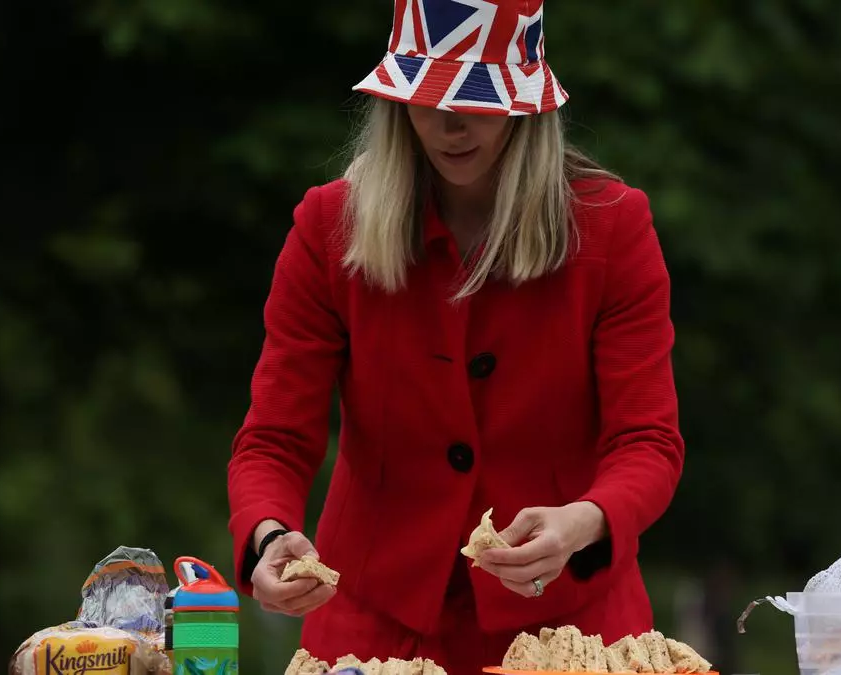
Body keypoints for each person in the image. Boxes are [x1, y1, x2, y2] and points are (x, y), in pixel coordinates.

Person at [226, 1, 685, 672]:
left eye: (475, 98)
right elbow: (273, 438)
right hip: (370, 630)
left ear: (526, 105)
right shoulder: (326, 228)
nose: (448, 122)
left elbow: (648, 442)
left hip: (575, 633)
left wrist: (583, 519)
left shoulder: (614, 227)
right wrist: (269, 533)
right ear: (395, 102)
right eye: (425, 96)